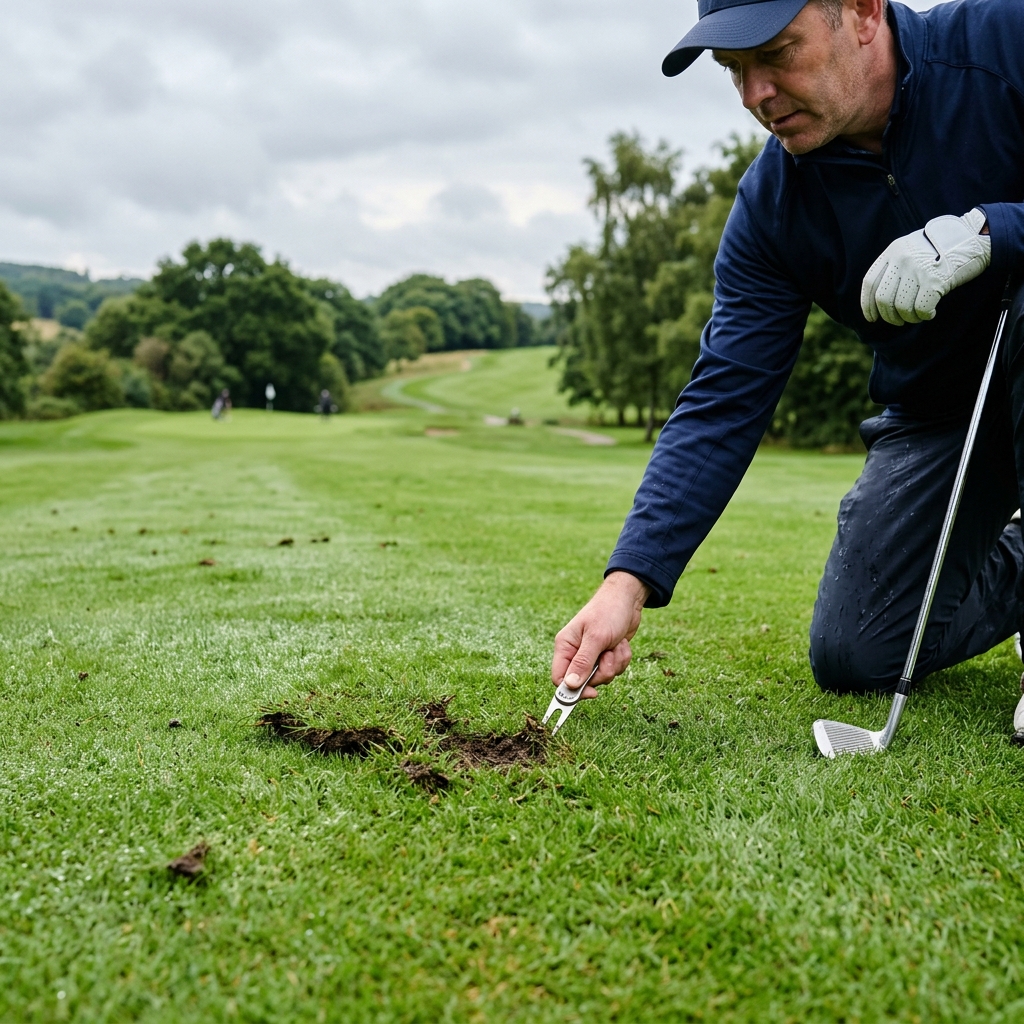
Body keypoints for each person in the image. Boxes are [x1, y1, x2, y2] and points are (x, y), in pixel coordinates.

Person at [551, 0, 1024, 736]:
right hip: (940, 416)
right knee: (857, 652)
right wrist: (628, 582)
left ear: (862, 12)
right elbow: (723, 398)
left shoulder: (1005, 42)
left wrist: (996, 230)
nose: (754, 95)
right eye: (734, 70)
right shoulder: (773, 206)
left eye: (776, 53)